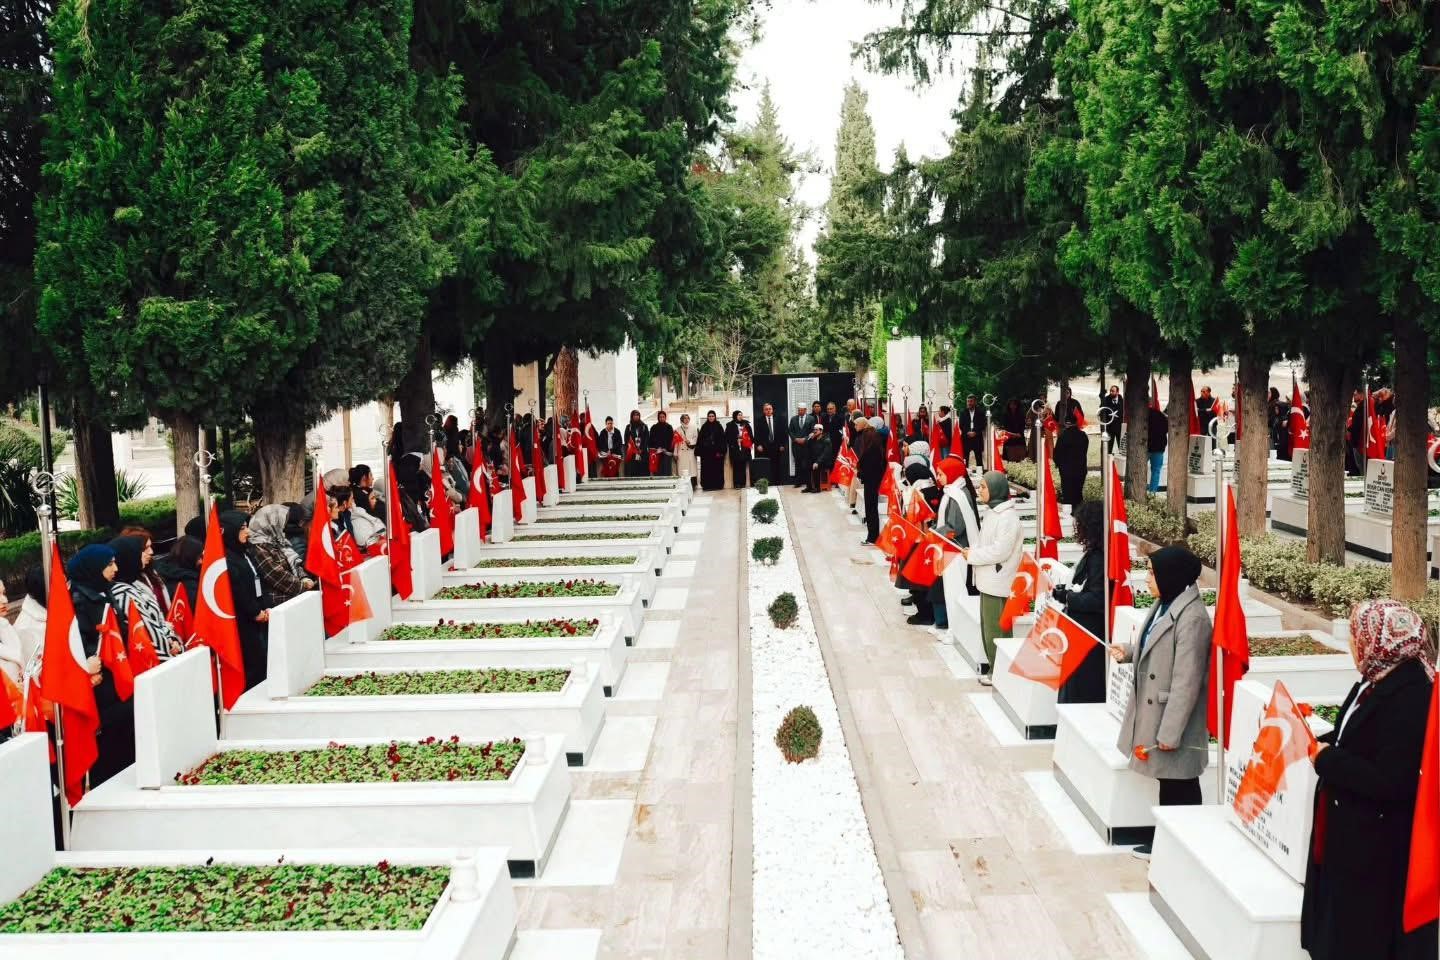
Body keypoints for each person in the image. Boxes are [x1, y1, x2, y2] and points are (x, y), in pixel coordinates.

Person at [1299, 600, 1438, 960]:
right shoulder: (1375, 677)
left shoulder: (1412, 695)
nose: (1352, 643)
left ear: (1378, 640)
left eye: (1356, 635)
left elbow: (1392, 780)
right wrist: (1319, 740)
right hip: (1349, 837)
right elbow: (1353, 736)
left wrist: (1327, 759)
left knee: (1363, 938)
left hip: (1377, 849)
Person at [1110, 545, 1210, 857]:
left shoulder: (1192, 618)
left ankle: (1178, 846)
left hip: (1174, 714)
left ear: (1171, 576)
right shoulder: (1166, 603)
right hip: (1157, 708)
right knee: (1170, 781)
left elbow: (1186, 681)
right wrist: (1129, 652)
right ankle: (1171, 843)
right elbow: (1155, 643)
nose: (1147, 579)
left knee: (1180, 781)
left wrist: (1170, 732)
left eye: (1152, 573)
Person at [67, 544, 128, 786]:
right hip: (101, 685)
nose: (115, 568)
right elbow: (78, 644)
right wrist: (92, 659)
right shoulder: (78, 602)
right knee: (110, 749)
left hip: (119, 677)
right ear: (93, 568)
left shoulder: (104, 591)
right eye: (109, 564)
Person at [962, 471, 1023, 684]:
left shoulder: (1007, 518)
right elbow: (985, 542)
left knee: (996, 629)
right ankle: (996, 670)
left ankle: (999, 673)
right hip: (988, 580)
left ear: (996, 489)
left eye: (983, 487)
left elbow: (1001, 551)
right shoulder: (993, 512)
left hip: (998, 580)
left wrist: (973, 556)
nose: (979, 490)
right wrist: (972, 551)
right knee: (989, 627)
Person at [1052, 501, 1107, 704]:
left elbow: (1097, 598)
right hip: (1081, 629)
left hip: (1088, 633)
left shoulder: (1099, 557)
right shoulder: (1096, 552)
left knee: (1080, 686)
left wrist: (1067, 597)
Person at [220, 510, 273, 690]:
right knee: (254, 663)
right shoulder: (226, 558)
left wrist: (265, 607)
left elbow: (259, 580)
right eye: (242, 528)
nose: (247, 532)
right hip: (245, 620)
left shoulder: (245, 552)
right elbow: (237, 589)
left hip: (261, 613)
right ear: (231, 531)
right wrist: (254, 611)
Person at [110, 535, 185, 658]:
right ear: (128, 557)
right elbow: (146, 630)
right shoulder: (122, 592)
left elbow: (158, 619)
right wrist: (169, 647)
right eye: (141, 551)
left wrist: (171, 638)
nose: (149, 553)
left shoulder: (134, 583)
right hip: (155, 659)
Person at [249, 503, 316, 603]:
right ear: (270, 522)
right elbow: (276, 574)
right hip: (277, 600)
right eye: (280, 522)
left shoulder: (276, 539)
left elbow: (294, 560)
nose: (283, 526)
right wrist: (303, 586)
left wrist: (304, 578)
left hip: (293, 596)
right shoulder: (257, 546)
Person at [857, 416, 888, 544]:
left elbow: (867, 461)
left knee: (870, 507)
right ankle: (872, 535)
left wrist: (861, 472)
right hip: (875, 477)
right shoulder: (879, 440)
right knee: (871, 507)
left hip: (871, 478)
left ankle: (872, 537)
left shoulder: (871, 440)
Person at [1054, 419, 1090, 510]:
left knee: (1067, 493)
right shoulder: (1083, 435)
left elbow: (1057, 453)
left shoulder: (1063, 436)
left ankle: (1069, 512)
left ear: (1066, 424)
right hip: (1080, 469)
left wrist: (1058, 464)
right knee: (1078, 492)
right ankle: (1079, 511)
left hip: (1066, 470)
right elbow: (1085, 450)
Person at [697, 410, 728, 491]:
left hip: (717, 453)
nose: (711, 418)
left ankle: (718, 485)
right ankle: (707, 486)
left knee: (717, 469)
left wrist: (721, 451)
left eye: (712, 416)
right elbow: (700, 440)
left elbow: (722, 439)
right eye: (709, 416)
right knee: (707, 470)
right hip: (707, 453)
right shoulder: (704, 427)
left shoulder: (719, 426)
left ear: (715, 417)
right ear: (707, 417)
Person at [788, 402, 815, 489]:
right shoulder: (793, 419)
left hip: (807, 446)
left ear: (805, 410)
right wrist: (795, 439)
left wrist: (805, 439)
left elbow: (813, 431)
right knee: (798, 464)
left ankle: (808, 483)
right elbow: (790, 431)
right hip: (796, 446)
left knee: (806, 464)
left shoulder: (811, 419)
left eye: (801, 410)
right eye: (799, 410)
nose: (800, 412)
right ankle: (798, 482)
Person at [726, 411, 753, 488]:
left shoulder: (746, 424)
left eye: (741, 415)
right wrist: (736, 440)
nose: (740, 416)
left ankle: (743, 483)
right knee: (736, 466)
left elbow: (751, 436)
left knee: (743, 466)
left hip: (744, 448)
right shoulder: (730, 425)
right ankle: (737, 484)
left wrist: (746, 440)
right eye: (738, 415)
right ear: (735, 416)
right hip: (735, 449)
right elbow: (727, 437)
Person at [806, 421, 833, 493]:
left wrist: (817, 462)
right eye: (814, 429)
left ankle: (817, 488)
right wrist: (809, 438)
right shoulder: (814, 439)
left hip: (824, 461)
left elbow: (825, 454)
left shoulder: (826, 440)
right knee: (806, 465)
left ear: (821, 431)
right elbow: (808, 447)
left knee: (816, 467)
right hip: (816, 459)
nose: (814, 431)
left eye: (816, 430)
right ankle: (809, 487)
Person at [959, 395, 986, 467]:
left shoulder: (980, 412)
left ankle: (980, 472)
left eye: (971, 401)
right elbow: (961, 425)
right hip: (966, 438)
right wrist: (967, 432)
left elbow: (983, 425)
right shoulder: (963, 412)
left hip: (977, 438)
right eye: (968, 401)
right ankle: (965, 472)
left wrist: (975, 432)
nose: (969, 403)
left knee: (979, 458)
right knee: (965, 458)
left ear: (975, 402)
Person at [1147, 403, 1168, 494]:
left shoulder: (1141, 414)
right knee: (1156, 471)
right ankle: (1152, 493)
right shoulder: (1160, 415)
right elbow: (1166, 429)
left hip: (1145, 446)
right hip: (1158, 447)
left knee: (1139, 469)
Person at [648, 410, 676, 477]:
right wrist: (657, 448)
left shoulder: (669, 427)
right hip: (657, 452)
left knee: (666, 470)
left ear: (665, 418)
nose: (662, 418)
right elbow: (651, 439)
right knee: (658, 471)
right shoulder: (654, 427)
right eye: (660, 417)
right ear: (658, 418)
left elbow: (671, 440)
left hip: (666, 452)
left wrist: (666, 449)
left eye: (663, 417)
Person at [624, 410, 650, 477]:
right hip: (632, 453)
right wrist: (633, 449)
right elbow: (626, 440)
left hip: (643, 453)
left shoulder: (644, 426)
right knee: (633, 471)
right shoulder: (628, 427)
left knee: (643, 471)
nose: (636, 417)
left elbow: (647, 439)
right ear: (632, 416)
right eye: (634, 415)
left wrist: (642, 449)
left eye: (637, 415)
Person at [677, 413, 699, 490]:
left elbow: (696, 438)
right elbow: (676, 442)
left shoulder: (693, 427)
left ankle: (693, 485)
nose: (686, 420)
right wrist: (675, 453)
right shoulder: (678, 429)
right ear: (681, 420)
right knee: (683, 469)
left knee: (692, 469)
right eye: (684, 418)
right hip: (682, 451)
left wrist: (690, 441)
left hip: (690, 451)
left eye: (687, 418)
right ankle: (684, 485)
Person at [1100, 385, 1124, 452]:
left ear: (1117, 392)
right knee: (1109, 448)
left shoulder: (1122, 401)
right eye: (1110, 391)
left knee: (1122, 448)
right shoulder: (1106, 400)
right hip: (1110, 428)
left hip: (1120, 428)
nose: (1111, 392)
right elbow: (1101, 410)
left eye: (1113, 391)